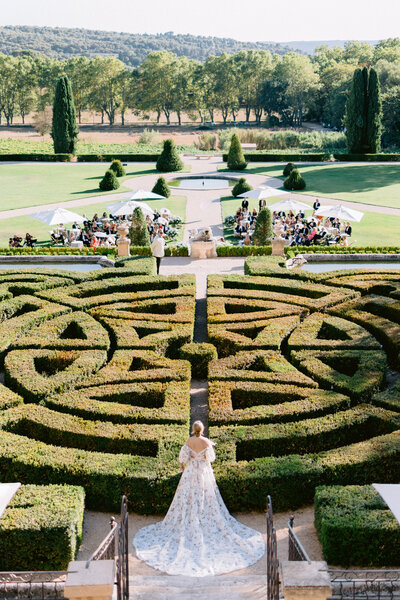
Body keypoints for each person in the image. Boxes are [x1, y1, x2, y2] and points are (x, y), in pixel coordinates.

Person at [133, 421, 265, 576]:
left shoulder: (189, 441)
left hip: (190, 473)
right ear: (202, 430)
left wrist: (185, 465)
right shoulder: (206, 441)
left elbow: (182, 458)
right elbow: (211, 459)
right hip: (203, 473)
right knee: (206, 497)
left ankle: (189, 517)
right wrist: (206, 449)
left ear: (192, 430)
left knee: (187, 497)